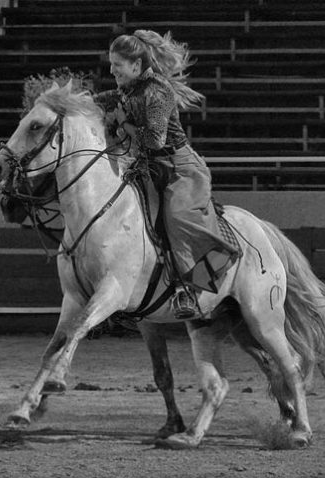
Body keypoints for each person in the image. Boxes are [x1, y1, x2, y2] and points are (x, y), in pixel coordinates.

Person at [95, 30, 238, 319]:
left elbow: (155, 140)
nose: (112, 70)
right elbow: (99, 101)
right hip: (150, 167)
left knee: (176, 217)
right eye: (111, 64)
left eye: (117, 65)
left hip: (181, 168)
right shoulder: (128, 89)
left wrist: (125, 124)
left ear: (136, 65)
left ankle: (190, 286)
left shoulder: (157, 91)